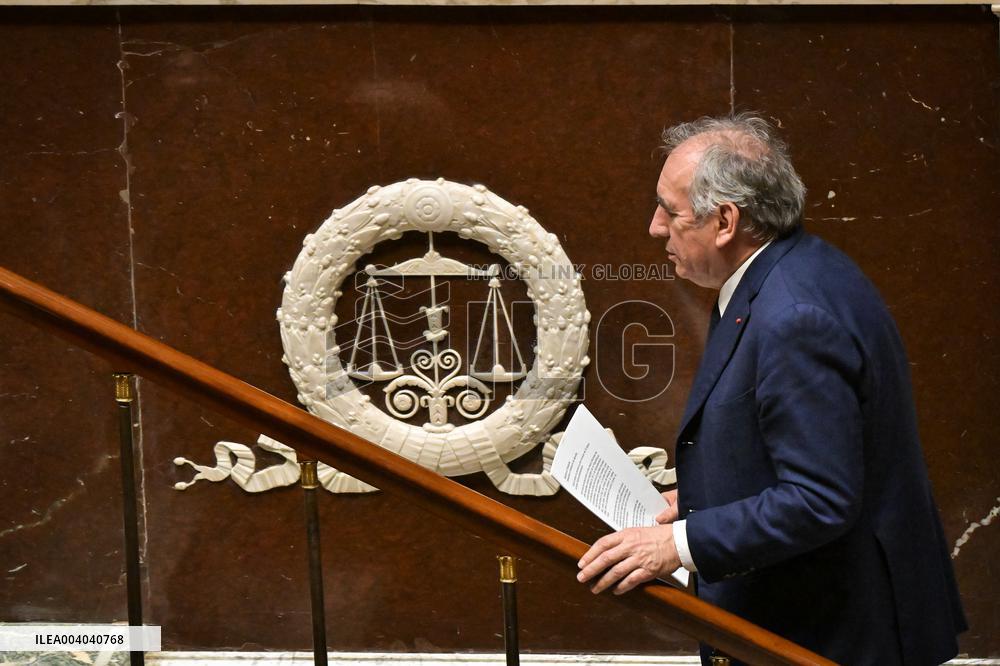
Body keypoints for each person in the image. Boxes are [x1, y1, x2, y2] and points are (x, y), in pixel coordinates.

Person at [576, 114, 966, 665]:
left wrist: (677, 545)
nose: (655, 227)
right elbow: (798, 445)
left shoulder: (795, 316)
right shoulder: (788, 271)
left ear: (726, 221)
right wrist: (704, 499)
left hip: (835, 634)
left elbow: (820, 497)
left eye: (670, 210)